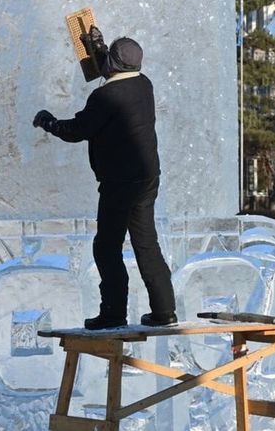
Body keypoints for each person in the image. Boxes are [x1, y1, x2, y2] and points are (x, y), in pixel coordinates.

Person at [33, 28, 177, 330]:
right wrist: (98, 48)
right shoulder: (144, 85)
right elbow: (114, 70)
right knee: (146, 244)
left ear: (113, 63)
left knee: (106, 246)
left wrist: (48, 122)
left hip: (119, 182)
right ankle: (165, 312)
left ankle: (113, 313)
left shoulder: (105, 96)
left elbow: (76, 131)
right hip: (147, 177)